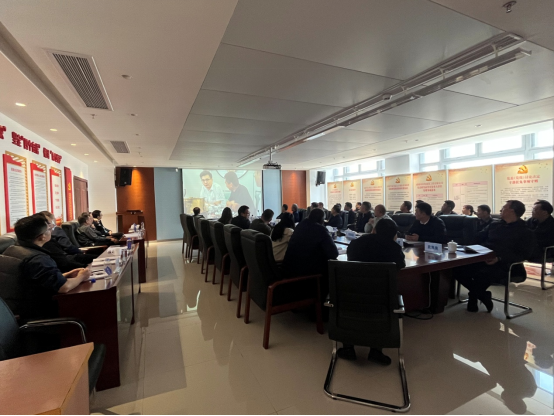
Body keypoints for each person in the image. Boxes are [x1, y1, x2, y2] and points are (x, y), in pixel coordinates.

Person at [340, 218, 406, 365]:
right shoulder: (394, 248)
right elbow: (400, 266)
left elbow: (351, 261)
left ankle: (348, 348)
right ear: (394, 235)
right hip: (382, 300)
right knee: (382, 301)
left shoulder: (356, 243)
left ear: (374, 230)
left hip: (352, 296)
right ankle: (376, 351)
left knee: (356, 303)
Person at [1, 214, 91, 320]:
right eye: (49, 229)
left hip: (15, 312)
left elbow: (32, 282)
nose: (51, 230)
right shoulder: (37, 259)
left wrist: (65, 275)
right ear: (42, 236)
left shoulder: (11, 250)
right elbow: (64, 287)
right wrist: (82, 276)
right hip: (39, 314)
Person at [456, 200, 535, 313]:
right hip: (484, 258)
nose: (500, 210)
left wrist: (499, 258)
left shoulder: (525, 231)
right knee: (457, 268)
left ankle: (474, 296)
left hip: (507, 265)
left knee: (482, 273)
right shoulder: (495, 224)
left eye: (504, 208)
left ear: (512, 211)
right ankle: (483, 295)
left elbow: (524, 254)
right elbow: (478, 237)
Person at [283, 209, 339, 280]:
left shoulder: (300, 226)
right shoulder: (320, 229)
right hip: (308, 276)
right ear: (322, 220)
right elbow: (334, 253)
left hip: (290, 271)